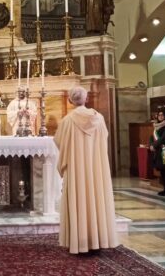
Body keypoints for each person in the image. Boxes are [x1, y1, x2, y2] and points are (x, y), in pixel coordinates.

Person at [54, 86, 118, 254]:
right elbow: (104, 138)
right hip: (96, 167)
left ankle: (79, 242)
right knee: (96, 197)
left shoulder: (67, 121)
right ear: (86, 99)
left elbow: (59, 142)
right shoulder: (99, 118)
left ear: (70, 100)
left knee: (79, 198)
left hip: (76, 169)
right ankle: (98, 239)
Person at [150, 107, 165, 196]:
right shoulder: (156, 126)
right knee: (162, 171)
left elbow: (163, 138)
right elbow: (152, 137)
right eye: (159, 115)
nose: (160, 116)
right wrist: (151, 144)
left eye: (162, 115)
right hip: (159, 150)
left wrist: (154, 145)